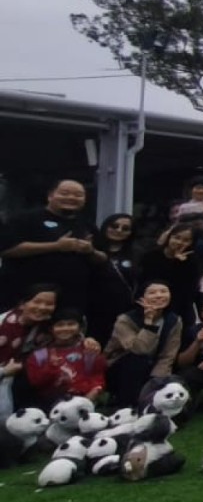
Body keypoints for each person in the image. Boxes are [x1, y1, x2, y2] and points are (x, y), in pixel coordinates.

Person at [0, 178, 102, 309]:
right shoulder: (25, 219)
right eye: (65, 193)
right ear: (50, 196)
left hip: (71, 301)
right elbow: (7, 249)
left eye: (78, 195)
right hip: (26, 298)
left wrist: (91, 251)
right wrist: (56, 246)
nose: (71, 197)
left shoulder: (87, 225)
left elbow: (103, 258)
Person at [102, 281, 184, 406]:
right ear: (141, 298)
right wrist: (149, 324)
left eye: (163, 291)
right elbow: (139, 349)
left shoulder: (174, 320)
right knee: (138, 360)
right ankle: (126, 404)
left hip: (152, 367)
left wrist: (157, 380)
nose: (159, 295)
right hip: (120, 367)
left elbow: (168, 354)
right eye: (152, 292)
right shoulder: (125, 320)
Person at [23, 307, 106, 406]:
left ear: (80, 328)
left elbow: (97, 377)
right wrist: (51, 367)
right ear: (51, 329)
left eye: (71, 324)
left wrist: (94, 392)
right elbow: (36, 383)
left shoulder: (89, 350)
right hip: (48, 405)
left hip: (83, 401)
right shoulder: (39, 355)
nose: (65, 328)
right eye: (60, 325)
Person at [0, 284, 60, 418]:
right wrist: (4, 371)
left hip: (18, 380)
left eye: (49, 304)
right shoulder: (3, 324)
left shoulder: (46, 329)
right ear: (22, 304)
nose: (42, 307)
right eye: (37, 302)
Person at [90, 212, 140, 341]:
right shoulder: (92, 250)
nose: (118, 230)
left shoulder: (137, 253)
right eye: (114, 226)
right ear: (106, 226)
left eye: (125, 228)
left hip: (124, 310)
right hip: (93, 309)